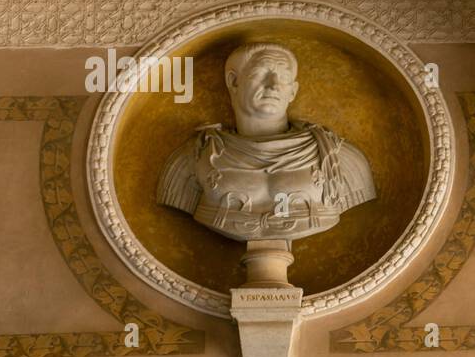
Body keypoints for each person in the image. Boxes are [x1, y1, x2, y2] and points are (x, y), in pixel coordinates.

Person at [157, 43, 375, 242]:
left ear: (293, 91)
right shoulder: (195, 157)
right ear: (233, 82)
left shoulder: (339, 158)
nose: (273, 86)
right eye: (260, 74)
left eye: (283, 77)